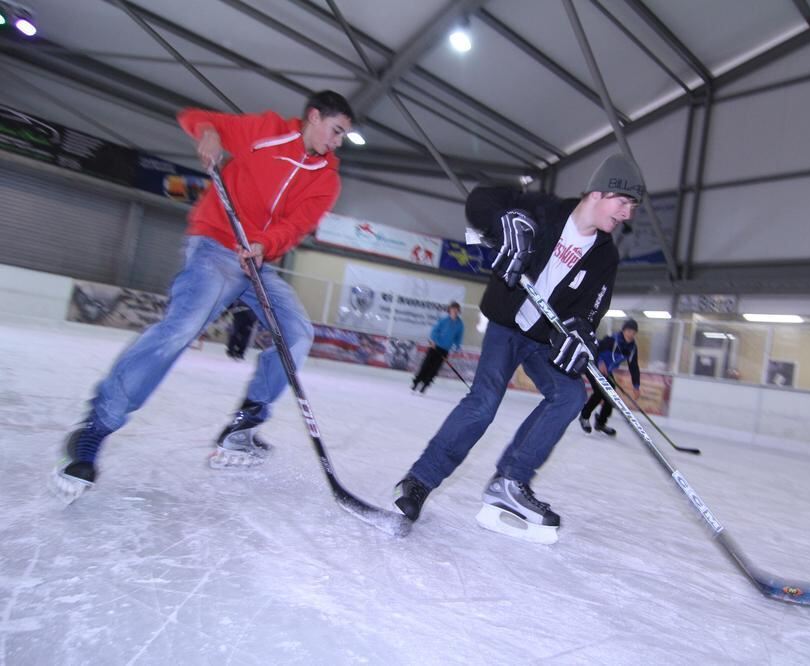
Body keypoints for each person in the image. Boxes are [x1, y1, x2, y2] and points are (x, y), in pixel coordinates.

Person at [52, 90, 354, 502]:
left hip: (258, 262)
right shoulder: (264, 131)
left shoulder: (326, 179)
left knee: (298, 332)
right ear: (314, 117)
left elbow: (297, 225)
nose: (337, 142)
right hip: (216, 246)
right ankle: (95, 429)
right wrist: (209, 134)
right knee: (181, 329)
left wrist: (264, 244)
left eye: (343, 136)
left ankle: (243, 426)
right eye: (336, 131)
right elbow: (194, 116)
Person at [393, 154, 643, 544]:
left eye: (631, 207)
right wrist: (501, 220)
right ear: (598, 192)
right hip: (506, 326)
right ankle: (419, 481)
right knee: (484, 402)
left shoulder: (605, 255)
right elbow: (481, 200)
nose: (627, 213)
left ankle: (510, 481)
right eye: (623, 202)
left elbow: (591, 309)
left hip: (543, 339)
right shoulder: (543, 209)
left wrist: (582, 334)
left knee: (570, 395)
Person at [579, 318, 641, 436]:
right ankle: (584, 416)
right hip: (593, 366)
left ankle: (600, 423)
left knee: (611, 396)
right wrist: (601, 362)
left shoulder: (632, 348)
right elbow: (597, 351)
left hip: (606, 371)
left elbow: (634, 367)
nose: (630, 334)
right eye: (628, 331)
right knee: (600, 392)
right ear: (623, 330)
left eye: (633, 332)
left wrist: (636, 386)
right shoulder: (611, 340)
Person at [411, 301, 464, 393]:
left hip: (445, 349)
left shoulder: (460, 324)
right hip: (435, 347)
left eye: (456, 309)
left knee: (435, 369)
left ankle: (425, 385)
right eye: (452, 309)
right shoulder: (443, 320)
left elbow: (458, 337)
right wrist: (434, 341)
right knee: (426, 365)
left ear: (458, 311)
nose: (454, 311)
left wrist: (457, 347)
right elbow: (434, 331)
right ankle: (416, 382)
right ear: (449, 310)